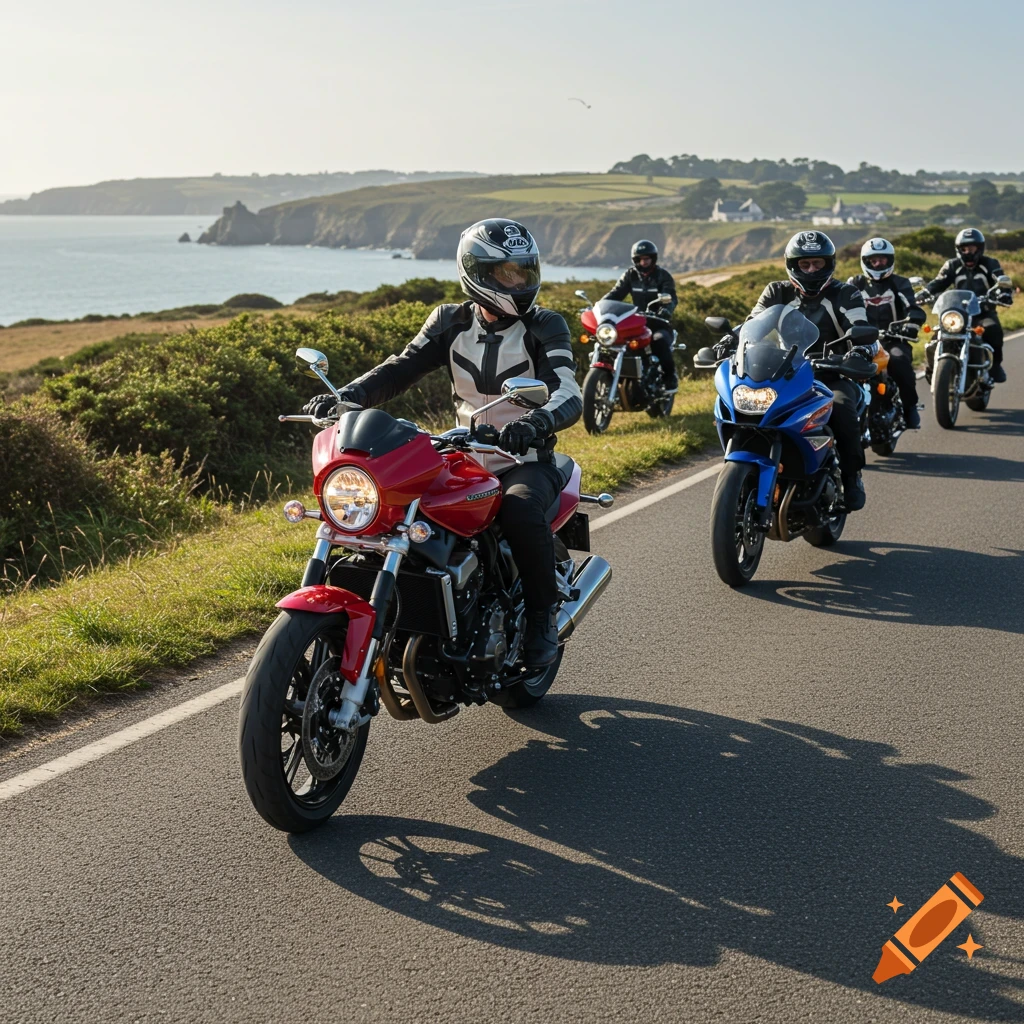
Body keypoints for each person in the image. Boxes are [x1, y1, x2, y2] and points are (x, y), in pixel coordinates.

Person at [303, 219, 582, 668]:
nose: (519, 282)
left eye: (524, 271)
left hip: (525, 458)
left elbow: (568, 389)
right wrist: (348, 397)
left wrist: (537, 421)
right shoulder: (450, 321)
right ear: (477, 272)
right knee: (403, 513)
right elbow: (400, 368)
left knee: (520, 509)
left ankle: (541, 620)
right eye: (507, 273)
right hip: (464, 454)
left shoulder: (545, 325)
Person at [738, 230, 873, 511]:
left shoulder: (846, 292)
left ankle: (851, 476)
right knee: (749, 409)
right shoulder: (777, 291)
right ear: (792, 265)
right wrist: (732, 340)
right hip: (786, 373)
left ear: (829, 263)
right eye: (805, 264)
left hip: (832, 373)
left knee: (843, 407)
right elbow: (754, 324)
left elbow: (862, 329)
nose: (811, 270)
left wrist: (858, 351)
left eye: (818, 264)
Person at [847, 237, 925, 429]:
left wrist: (910, 324)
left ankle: (909, 407)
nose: (878, 264)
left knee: (899, 363)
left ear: (890, 261)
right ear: (866, 262)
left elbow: (913, 308)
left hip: (894, 341)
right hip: (862, 343)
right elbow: (844, 309)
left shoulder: (900, 283)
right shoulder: (855, 283)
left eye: (883, 260)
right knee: (842, 372)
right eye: (874, 260)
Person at [918, 228, 1014, 383]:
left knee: (993, 330)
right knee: (936, 338)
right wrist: (924, 293)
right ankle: (932, 369)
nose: (968, 252)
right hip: (957, 313)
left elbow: (999, 280)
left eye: (972, 248)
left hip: (983, 313)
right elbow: (938, 283)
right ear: (958, 249)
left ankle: (995, 365)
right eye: (964, 248)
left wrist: (1004, 293)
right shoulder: (951, 265)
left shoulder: (989, 263)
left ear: (980, 248)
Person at [602, 239, 679, 391]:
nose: (643, 262)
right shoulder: (630, 275)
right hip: (634, 322)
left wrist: (665, 310)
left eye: (646, 258)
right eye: (640, 259)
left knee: (660, 341)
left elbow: (671, 298)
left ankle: (670, 378)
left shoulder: (663, 276)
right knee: (612, 344)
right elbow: (615, 294)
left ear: (653, 259)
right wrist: (600, 307)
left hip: (657, 322)